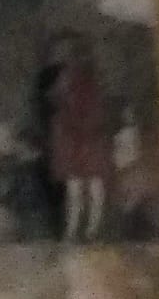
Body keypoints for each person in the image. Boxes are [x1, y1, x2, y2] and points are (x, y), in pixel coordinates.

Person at [44, 34, 111, 242]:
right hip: (77, 139)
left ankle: (87, 231)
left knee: (90, 187)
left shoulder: (90, 81)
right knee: (79, 188)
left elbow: (97, 111)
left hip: (87, 139)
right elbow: (55, 99)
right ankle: (78, 230)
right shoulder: (67, 79)